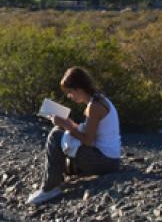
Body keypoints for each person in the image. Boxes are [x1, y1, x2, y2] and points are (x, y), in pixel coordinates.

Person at [26, 66, 121, 206]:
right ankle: (55, 179)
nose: (70, 96)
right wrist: (69, 124)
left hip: (105, 162)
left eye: (70, 92)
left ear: (78, 88)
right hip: (109, 159)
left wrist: (68, 126)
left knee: (56, 134)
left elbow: (88, 141)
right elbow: (90, 133)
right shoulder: (99, 99)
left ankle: (50, 188)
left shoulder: (94, 107)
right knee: (61, 135)